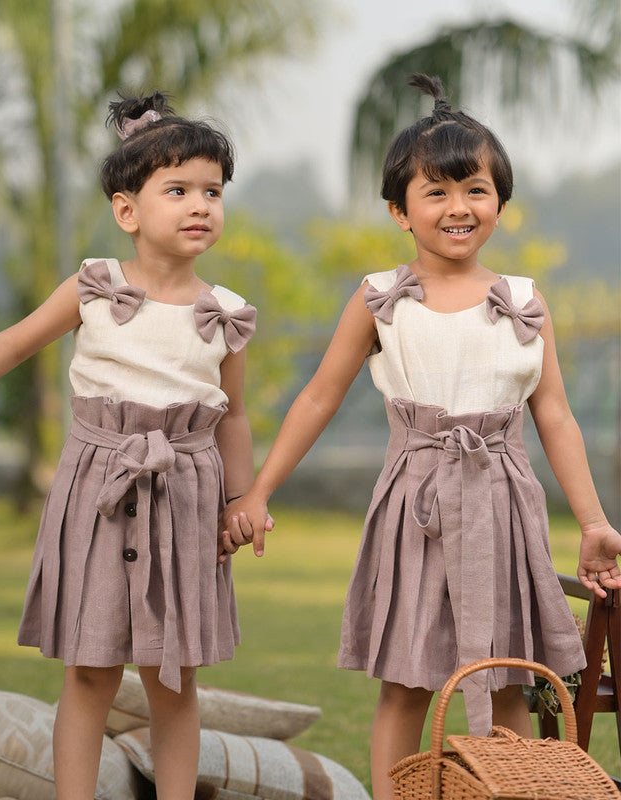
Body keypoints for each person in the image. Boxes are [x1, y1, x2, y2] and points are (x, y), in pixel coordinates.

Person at [220, 73, 621, 800]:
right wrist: (260, 487)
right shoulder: (380, 299)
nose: (458, 206)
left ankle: (509, 792)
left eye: (474, 188)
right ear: (399, 211)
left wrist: (593, 522)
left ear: (500, 200)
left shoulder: (525, 302)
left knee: (507, 683)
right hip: (416, 510)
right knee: (405, 682)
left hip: (503, 506)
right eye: (435, 192)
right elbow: (318, 397)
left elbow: (554, 414)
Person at [0, 91, 257, 800]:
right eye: (179, 190)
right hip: (97, 494)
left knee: (175, 675)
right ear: (127, 211)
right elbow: (12, 345)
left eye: (213, 192)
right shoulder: (93, 288)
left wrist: (242, 501)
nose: (201, 205)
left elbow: (234, 417)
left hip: (188, 498)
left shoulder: (226, 314)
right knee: (90, 669)